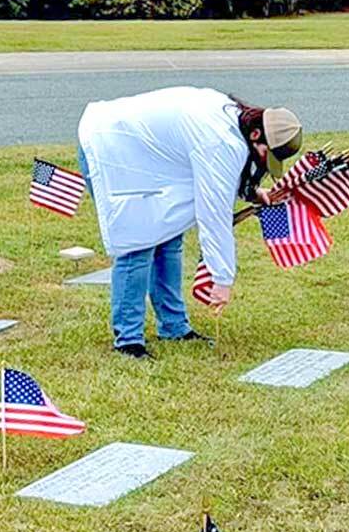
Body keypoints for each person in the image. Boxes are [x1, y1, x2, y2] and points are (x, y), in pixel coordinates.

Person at [76, 87, 302, 357]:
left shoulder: (232, 121)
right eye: (267, 154)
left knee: (169, 239)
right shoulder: (220, 141)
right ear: (256, 134)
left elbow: (220, 177)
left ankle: (173, 327)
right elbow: (213, 213)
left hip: (148, 159)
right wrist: (222, 279)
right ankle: (128, 340)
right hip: (110, 148)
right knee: (137, 244)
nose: (264, 163)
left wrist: (253, 192)